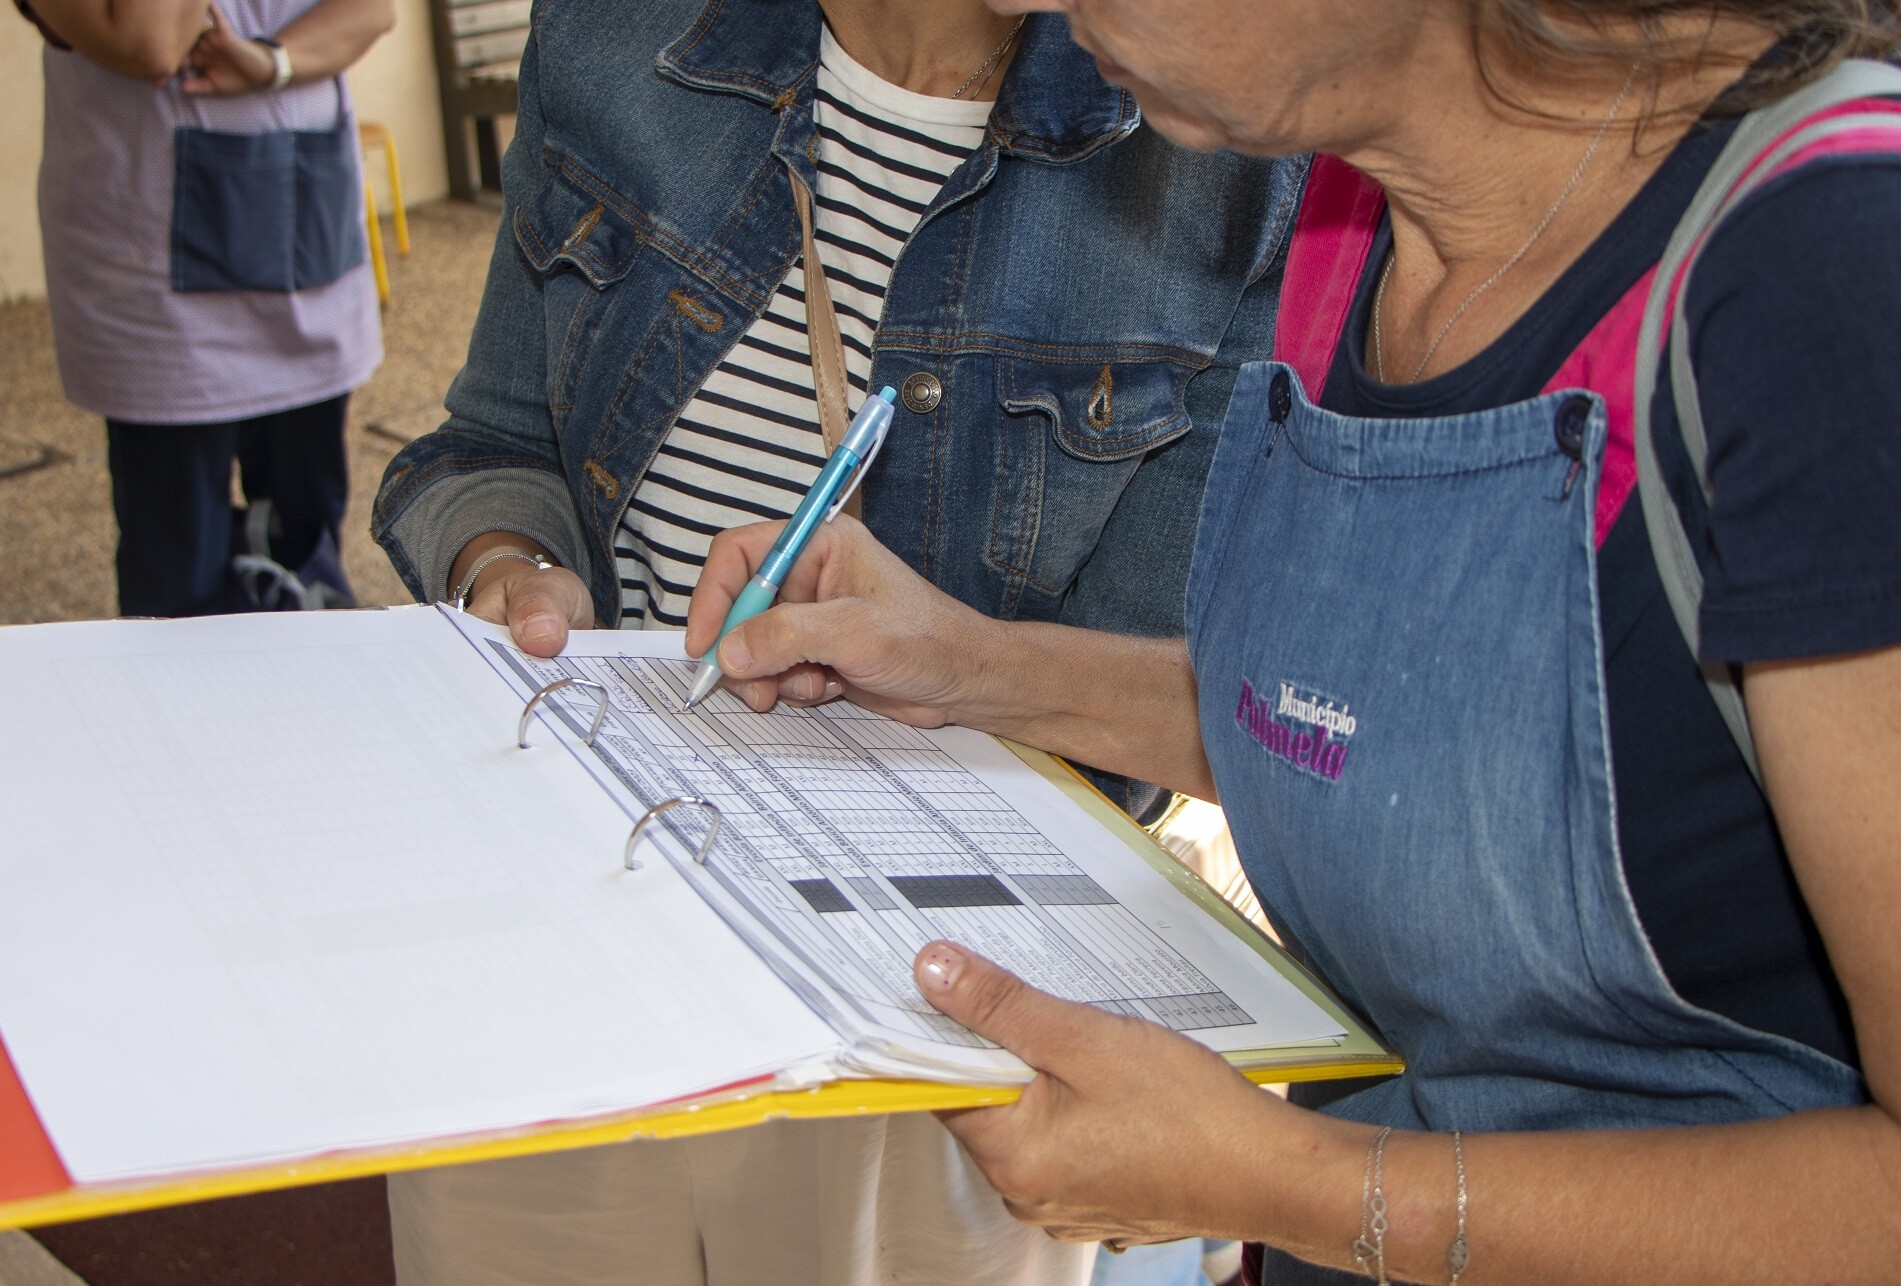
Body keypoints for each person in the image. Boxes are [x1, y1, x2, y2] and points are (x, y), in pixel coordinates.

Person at [685, 1, 1901, 1282]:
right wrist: (969, 662)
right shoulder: (1347, 215)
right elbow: (1369, 724)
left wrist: (1291, 1181)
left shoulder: (1829, 270)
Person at [370, 0, 1302, 1282]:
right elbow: (490, 442)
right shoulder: (613, 37)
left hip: (923, 1022)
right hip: (567, 945)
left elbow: (1155, 713)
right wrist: (513, 571)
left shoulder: (1228, 138)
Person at [18, 0, 393, 617]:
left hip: (302, 251)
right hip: (158, 293)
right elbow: (152, 42)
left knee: (306, 556)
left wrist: (271, 63)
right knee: (177, 583)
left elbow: (374, 12)